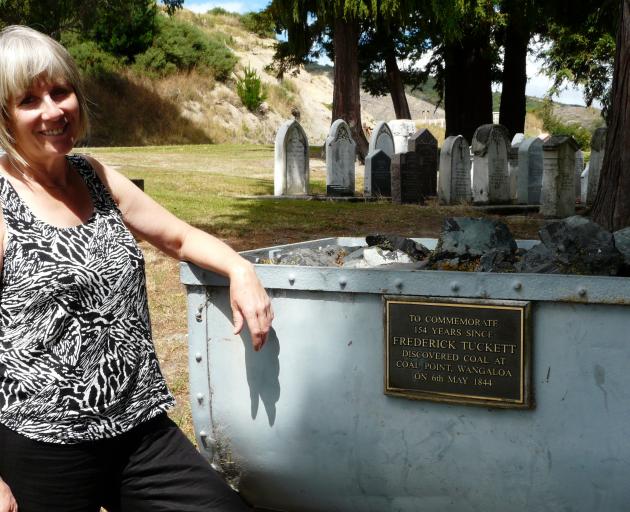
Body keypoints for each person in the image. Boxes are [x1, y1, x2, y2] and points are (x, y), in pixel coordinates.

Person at [0, 25, 273, 512]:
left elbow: (181, 236)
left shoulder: (96, 177)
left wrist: (239, 268)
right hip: (45, 445)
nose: (52, 111)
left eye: (60, 92)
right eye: (29, 100)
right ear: (5, 114)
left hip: (138, 428)